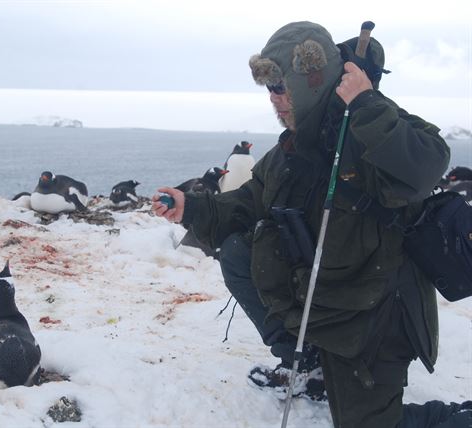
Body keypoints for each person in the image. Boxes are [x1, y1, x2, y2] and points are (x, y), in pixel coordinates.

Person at [153, 21, 470, 428]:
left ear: (310, 81)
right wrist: (191, 208)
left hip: (377, 315)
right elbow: (250, 200)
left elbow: (427, 165)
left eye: (281, 87)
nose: (274, 99)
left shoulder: (367, 123)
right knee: (237, 251)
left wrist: (368, 104)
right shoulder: (293, 147)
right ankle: (309, 366)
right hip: (325, 302)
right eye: (268, 89)